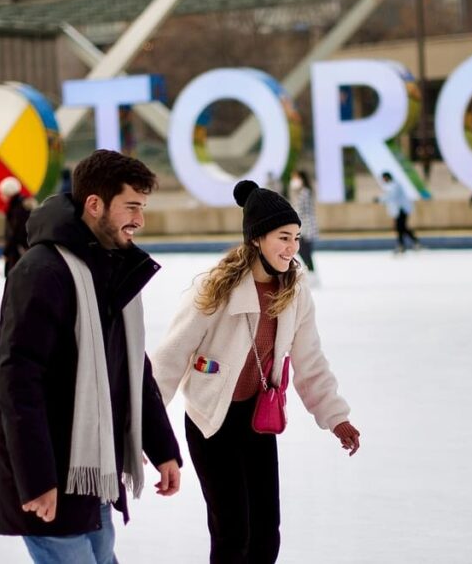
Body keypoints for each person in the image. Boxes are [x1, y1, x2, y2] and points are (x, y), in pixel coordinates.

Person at [0, 149, 182, 564]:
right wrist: (37, 479)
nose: (139, 220)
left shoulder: (109, 266)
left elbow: (130, 367)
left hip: (93, 473)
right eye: (131, 207)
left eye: (142, 208)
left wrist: (162, 445)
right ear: (95, 205)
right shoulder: (42, 271)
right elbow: (17, 382)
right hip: (50, 478)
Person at [152, 180, 361, 564]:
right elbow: (169, 360)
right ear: (257, 239)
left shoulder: (294, 293)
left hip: (256, 421)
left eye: (296, 238)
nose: (292, 247)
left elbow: (310, 361)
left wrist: (336, 418)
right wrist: (147, 431)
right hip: (210, 421)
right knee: (233, 532)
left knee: (266, 534)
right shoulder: (214, 289)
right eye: (283, 237)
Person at [287, 170, 319, 284]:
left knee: (304, 251)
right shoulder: (302, 191)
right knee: (304, 251)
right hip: (304, 226)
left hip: (306, 226)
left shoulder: (304, 192)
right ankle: (311, 274)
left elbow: (299, 209)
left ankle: (312, 275)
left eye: (295, 178)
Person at [0, 176, 34, 277]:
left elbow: (14, 233)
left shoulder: (16, 208)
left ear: (8, 194)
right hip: (22, 249)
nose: (0, 196)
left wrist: (6, 252)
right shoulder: (23, 204)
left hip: (18, 251)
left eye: (2, 193)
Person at [376, 171, 419, 253]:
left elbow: (392, 196)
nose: (383, 180)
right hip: (399, 210)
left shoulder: (395, 185)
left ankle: (403, 245)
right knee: (402, 228)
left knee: (400, 227)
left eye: (384, 178)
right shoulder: (391, 185)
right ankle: (411, 243)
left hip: (402, 209)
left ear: (387, 177)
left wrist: (379, 199)